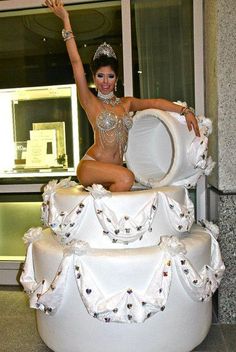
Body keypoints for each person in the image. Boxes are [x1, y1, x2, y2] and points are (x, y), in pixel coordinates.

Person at [44, 0, 200, 192]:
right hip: (91, 167)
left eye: (110, 76)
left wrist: (185, 111)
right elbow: (76, 63)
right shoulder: (89, 101)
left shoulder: (126, 103)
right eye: (100, 76)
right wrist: (65, 20)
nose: (105, 81)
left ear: (116, 78)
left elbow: (156, 102)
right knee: (127, 177)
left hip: (114, 170)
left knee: (125, 181)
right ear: (94, 77)